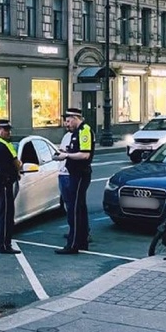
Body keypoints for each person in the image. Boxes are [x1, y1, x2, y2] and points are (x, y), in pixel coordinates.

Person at [53, 108, 95, 254]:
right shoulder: (77, 132)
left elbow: (84, 155)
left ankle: (73, 244)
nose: (66, 123)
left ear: (76, 118)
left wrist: (66, 156)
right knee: (79, 208)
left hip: (79, 174)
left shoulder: (84, 131)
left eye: (69, 120)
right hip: (76, 174)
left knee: (75, 209)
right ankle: (82, 241)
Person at [0, 119, 22, 254]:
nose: (8, 132)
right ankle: (5, 245)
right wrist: (19, 167)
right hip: (4, 183)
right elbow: (17, 163)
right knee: (6, 214)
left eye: (9, 130)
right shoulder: (6, 145)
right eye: (5, 130)